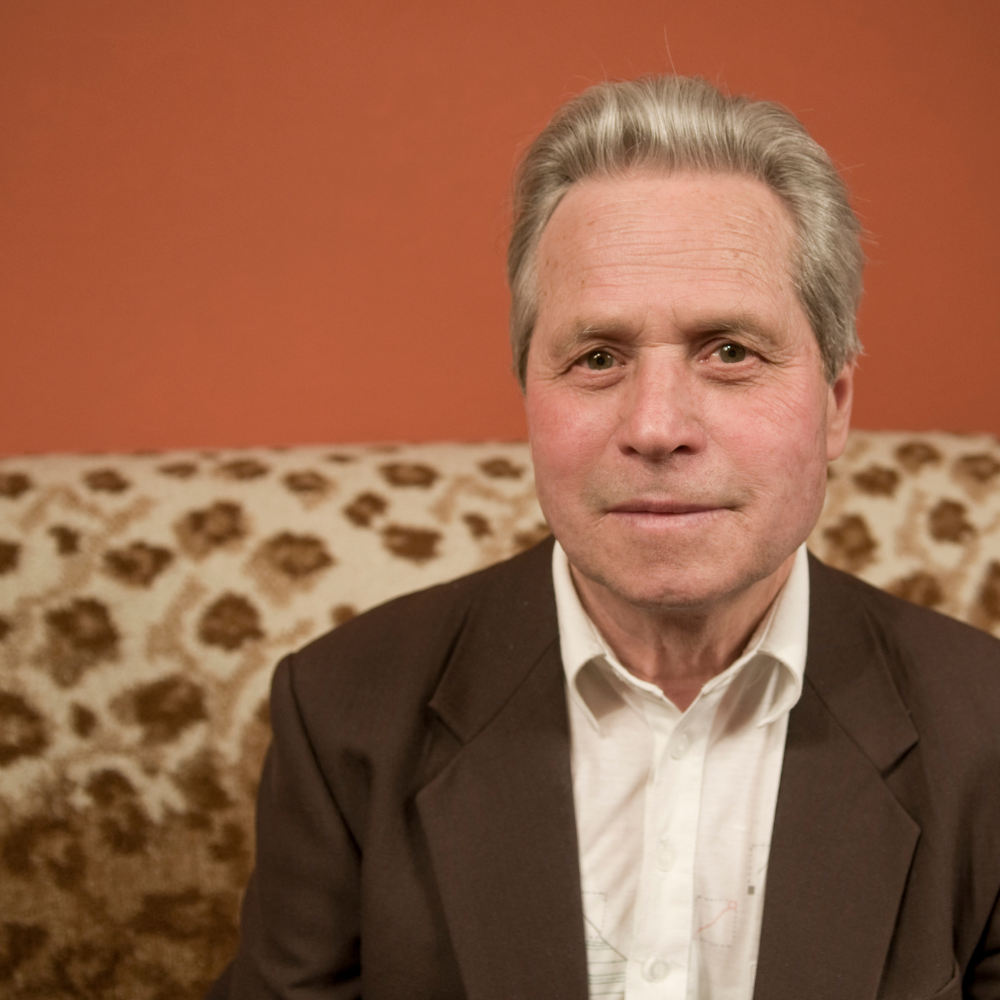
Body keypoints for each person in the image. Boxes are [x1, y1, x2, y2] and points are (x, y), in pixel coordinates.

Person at [208, 76, 1000, 1000]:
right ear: (529, 399)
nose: (656, 425)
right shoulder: (343, 712)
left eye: (730, 351)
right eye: (597, 358)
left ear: (834, 405)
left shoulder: (985, 735)